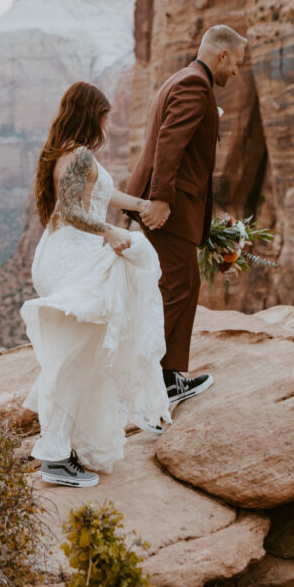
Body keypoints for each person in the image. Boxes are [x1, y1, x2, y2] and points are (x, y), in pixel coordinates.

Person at [20, 81, 171, 488]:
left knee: (82, 355)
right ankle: (54, 455)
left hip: (70, 253)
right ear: (92, 116)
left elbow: (102, 193)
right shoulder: (78, 153)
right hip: (72, 258)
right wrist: (108, 232)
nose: (108, 124)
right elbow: (70, 210)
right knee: (76, 356)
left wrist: (143, 206)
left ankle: (66, 448)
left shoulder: (71, 152)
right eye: (104, 117)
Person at [126, 24, 247, 407]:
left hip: (176, 206)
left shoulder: (182, 79)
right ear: (222, 55)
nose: (237, 73)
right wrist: (160, 200)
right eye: (237, 64)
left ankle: (168, 376)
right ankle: (153, 379)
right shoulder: (195, 85)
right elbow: (170, 143)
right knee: (176, 289)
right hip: (168, 207)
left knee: (184, 286)